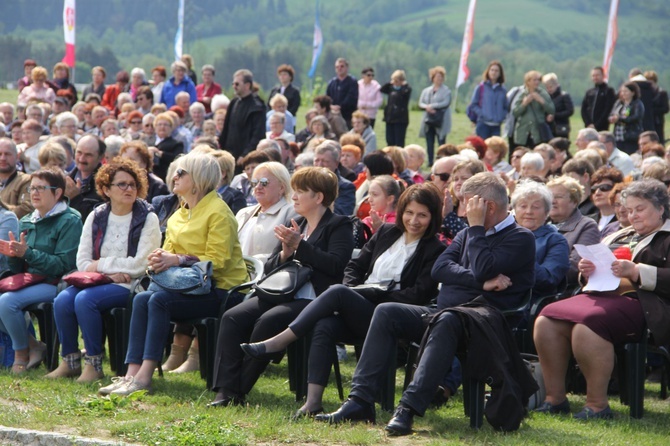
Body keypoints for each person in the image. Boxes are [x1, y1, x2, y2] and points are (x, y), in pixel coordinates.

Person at [315, 172, 536, 433]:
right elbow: (441, 269)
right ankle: (360, 401)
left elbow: (483, 266)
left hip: (483, 324)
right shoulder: (467, 235)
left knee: (448, 319)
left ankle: (407, 409)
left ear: (487, 207)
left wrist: (476, 230)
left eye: (467, 204)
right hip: (441, 313)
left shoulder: (519, 237)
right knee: (388, 311)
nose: (463, 211)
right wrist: (480, 279)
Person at [242, 182, 445, 416]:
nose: (414, 220)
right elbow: (354, 266)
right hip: (360, 304)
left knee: (338, 292)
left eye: (422, 215)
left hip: (393, 315)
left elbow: (419, 293)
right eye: (409, 212)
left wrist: (372, 294)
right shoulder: (388, 233)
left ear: (433, 218)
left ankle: (281, 340)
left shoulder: (435, 249)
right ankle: (312, 402)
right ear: (401, 211)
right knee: (325, 325)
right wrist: (354, 290)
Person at [98, 154, 248, 396]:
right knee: (141, 298)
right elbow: (169, 253)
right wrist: (160, 259)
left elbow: (217, 261)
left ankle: (144, 377)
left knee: (157, 300)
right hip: (186, 286)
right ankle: (130, 374)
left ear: (198, 179)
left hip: (221, 290)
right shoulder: (180, 213)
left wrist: (177, 260)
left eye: (181, 173)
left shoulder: (219, 212)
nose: (174, 176)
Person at [209, 166, 355, 407]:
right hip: (281, 291)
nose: (294, 196)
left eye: (300, 191)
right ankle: (224, 390)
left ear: (318, 197)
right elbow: (270, 268)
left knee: (268, 321)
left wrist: (301, 246)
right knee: (233, 317)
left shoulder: (339, 225)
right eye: (294, 190)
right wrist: (286, 253)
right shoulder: (295, 221)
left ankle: (238, 391)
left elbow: (337, 266)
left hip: (312, 299)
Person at [534, 179, 670, 419]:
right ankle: (555, 399)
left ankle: (597, 404)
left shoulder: (667, 238)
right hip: (597, 295)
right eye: (629, 210)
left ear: (660, 209)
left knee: (588, 326)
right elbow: (593, 270)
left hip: (642, 303)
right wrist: (586, 270)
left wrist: (638, 271)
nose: (633, 216)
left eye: (640, 209)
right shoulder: (618, 234)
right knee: (546, 319)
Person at [48, 159, 161, 382]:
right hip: (101, 280)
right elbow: (82, 261)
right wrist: (108, 272)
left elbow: (141, 265)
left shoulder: (148, 218)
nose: (129, 189)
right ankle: (69, 360)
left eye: (132, 184)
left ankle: (94, 364)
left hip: (132, 284)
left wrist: (100, 264)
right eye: (122, 184)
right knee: (62, 300)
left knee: (85, 300)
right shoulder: (97, 215)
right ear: (106, 189)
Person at [0, 169, 83, 374]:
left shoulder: (70, 220)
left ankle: (21, 353)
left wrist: (27, 253)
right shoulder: (28, 220)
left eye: (40, 188)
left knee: (7, 302)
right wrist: (14, 255)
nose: (34, 193)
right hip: (30, 281)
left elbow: (64, 265)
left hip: (56, 283)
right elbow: (18, 269)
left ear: (57, 193)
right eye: (32, 188)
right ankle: (33, 345)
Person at [511, 180, 570, 297]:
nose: (528, 212)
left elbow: (548, 280)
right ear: (514, 210)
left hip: (524, 302)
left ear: (546, 212)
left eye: (536, 207)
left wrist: (520, 253)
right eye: (523, 206)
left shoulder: (555, 241)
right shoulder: (503, 234)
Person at [235, 161, 297, 264]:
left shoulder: (291, 212)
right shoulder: (243, 213)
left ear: (281, 187)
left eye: (264, 182)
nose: (258, 187)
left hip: (268, 276)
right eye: (255, 182)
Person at [546, 176, 600, 287]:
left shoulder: (586, 225)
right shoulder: (539, 223)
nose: (552, 201)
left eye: (559, 197)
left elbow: (575, 267)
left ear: (574, 201)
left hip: (559, 288)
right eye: (549, 196)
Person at [218, 69, 266, 165]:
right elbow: (226, 128)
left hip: (246, 159)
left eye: (237, 84)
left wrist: (245, 155)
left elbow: (257, 134)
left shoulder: (257, 107)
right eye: (233, 84)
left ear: (247, 85)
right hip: (229, 155)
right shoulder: (233, 102)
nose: (234, 87)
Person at [441, 159, 486, 240]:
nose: (458, 183)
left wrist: (448, 217)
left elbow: (470, 237)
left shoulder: (483, 210)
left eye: (464, 178)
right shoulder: (450, 207)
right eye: (455, 179)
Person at [65, 135, 105, 221]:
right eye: (79, 152)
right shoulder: (65, 180)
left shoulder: (106, 185)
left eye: (88, 155)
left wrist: (76, 199)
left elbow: (98, 221)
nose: (82, 159)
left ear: (100, 157)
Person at [419, 66, 452, 166]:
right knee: (429, 141)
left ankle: (442, 161)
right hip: (428, 120)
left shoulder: (447, 91)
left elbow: (446, 102)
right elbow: (421, 103)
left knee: (441, 141)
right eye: (437, 77)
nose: (439, 79)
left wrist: (433, 106)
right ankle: (430, 161)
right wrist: (427, 107)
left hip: (440, 119)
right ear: (433, 78)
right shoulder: (426, 91)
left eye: (441, 77)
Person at [513, 70, 555, 148]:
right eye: (534, 80)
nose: (537, 82)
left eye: (538, 80)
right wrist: (524, 104)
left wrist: (541, 101)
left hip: (537, 133)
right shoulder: (522, 94)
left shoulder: (543, 93)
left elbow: (552, 110)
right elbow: (515, 112)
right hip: (523, 134)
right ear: (528, 81)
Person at [313, 141, 356, 216]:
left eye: (325, 161)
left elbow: (342, 214)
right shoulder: (307, 183)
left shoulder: (345, 186)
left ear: (336, 164)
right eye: (317, 160)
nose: (319, 165)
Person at [468, 61, 508, 139]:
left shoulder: (502, 90)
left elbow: (506, 106)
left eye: (496, 71)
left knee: (495, 149)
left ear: (500, 73)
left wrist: (502, 116)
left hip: (496, 126)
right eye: (492, 70)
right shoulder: (481, 87)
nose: (494, 73)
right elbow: (473, 104)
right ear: (488, 72)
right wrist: (482, 114)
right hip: (483, 124)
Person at [609, 81, 645, 155]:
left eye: (626, 91)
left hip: (631, 137)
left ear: (633, 92)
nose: (623, 93)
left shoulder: (637, 104)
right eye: (622, 91)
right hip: (618, 136)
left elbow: (636, 117)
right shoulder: (619, 103)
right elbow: (612, 113)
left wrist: (620, 119)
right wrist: (612, 118)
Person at [148, 113, 184, 182]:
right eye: (160, 124)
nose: (162, 127)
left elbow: (177, 159)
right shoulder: (149, 141)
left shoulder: (176, 143)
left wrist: (160, 153)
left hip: (165, 177)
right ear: (155, 127)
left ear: (171, 128)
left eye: (165, 125)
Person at [380, 70, 412, 147]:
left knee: (399, 141)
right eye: (394, 80)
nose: (396, 82)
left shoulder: (405, 89)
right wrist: (390, 83)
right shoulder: (391, 88)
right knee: (389, 140)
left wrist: (404, 85)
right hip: (390, 118)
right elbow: (382, 89)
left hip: (400, 119)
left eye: (397, 80)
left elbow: (406, 92)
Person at [581, 66, 617, 132]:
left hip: (602, 127)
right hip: (589, 127)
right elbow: (583, 109)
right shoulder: (589, 92)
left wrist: (597, 125)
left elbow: (608, 109)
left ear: (603, 76)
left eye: (597, 75)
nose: (595, 77)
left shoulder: (609, 91)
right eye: (593, 76)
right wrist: (588, 123)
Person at [590, 167, 624, 235]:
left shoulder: (624, 220)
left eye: (604, 187)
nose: (597, 193)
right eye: (594, 189)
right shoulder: (587, 221)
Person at [326, 58, 358, 128]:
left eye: (342, 66)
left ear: (347, 67)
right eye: (337, 67)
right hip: (333, 116)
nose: (339, 68)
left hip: (348, 116)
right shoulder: (331, 83)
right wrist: (331, 106)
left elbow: (351, 97)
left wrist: (340, 107)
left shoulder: (352, 82)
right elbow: (327, 98)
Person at [542, 73, 574, 139]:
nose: (549, 89)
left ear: (556, 85)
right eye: (547, 87)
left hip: (561, 126)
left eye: (551, 87)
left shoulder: (564, 96)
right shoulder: (546, 97)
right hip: (549, 127)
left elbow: (570, 111)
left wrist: (555, 116)